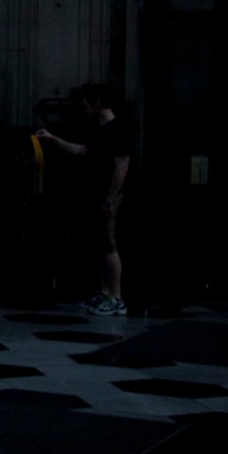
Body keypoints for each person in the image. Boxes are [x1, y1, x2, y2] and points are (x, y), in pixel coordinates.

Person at [35, 83, 135, 315]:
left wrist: (111, 198)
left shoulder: (117, 129)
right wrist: (54, 139)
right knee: (103, 244)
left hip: (109, 196)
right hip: (100, 195)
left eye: (87, 104)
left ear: (97, 103)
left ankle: (116, 297)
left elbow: (122, 167)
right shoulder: (101, 130)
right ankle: (105, 293)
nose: (85, 108)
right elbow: (83, 151)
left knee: (109, 245)